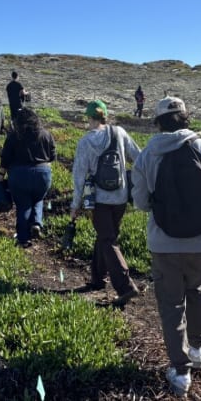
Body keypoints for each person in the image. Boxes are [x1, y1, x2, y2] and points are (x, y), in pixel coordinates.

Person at [130, 96, 201, 397]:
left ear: (158, 122)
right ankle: (198, 350)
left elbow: (140, 202)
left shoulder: (147, 155)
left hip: (163, 243)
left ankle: (180, 373)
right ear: (185, 117)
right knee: (197, 290)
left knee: (171, 305)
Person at [70, 99, 141, 306]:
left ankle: (126, 287)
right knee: (106, 236)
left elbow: (79, 175)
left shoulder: (85, 142)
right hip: (121, 197)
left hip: (99, 199)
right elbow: (139, 157)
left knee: (107, 239)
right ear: (105, 116)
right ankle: (97, 279)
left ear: (89, 118)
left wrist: (75, 204)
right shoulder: (119, 132)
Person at [0, 108, 56, 248]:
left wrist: (1, 174)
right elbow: (52, 156)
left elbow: (6, 157)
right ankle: (36, 223)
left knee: (23, 205)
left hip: (20, 174)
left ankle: (23, 239)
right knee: (38, 198)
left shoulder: (14, 135)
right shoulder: (46, 134)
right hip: (43, 173)